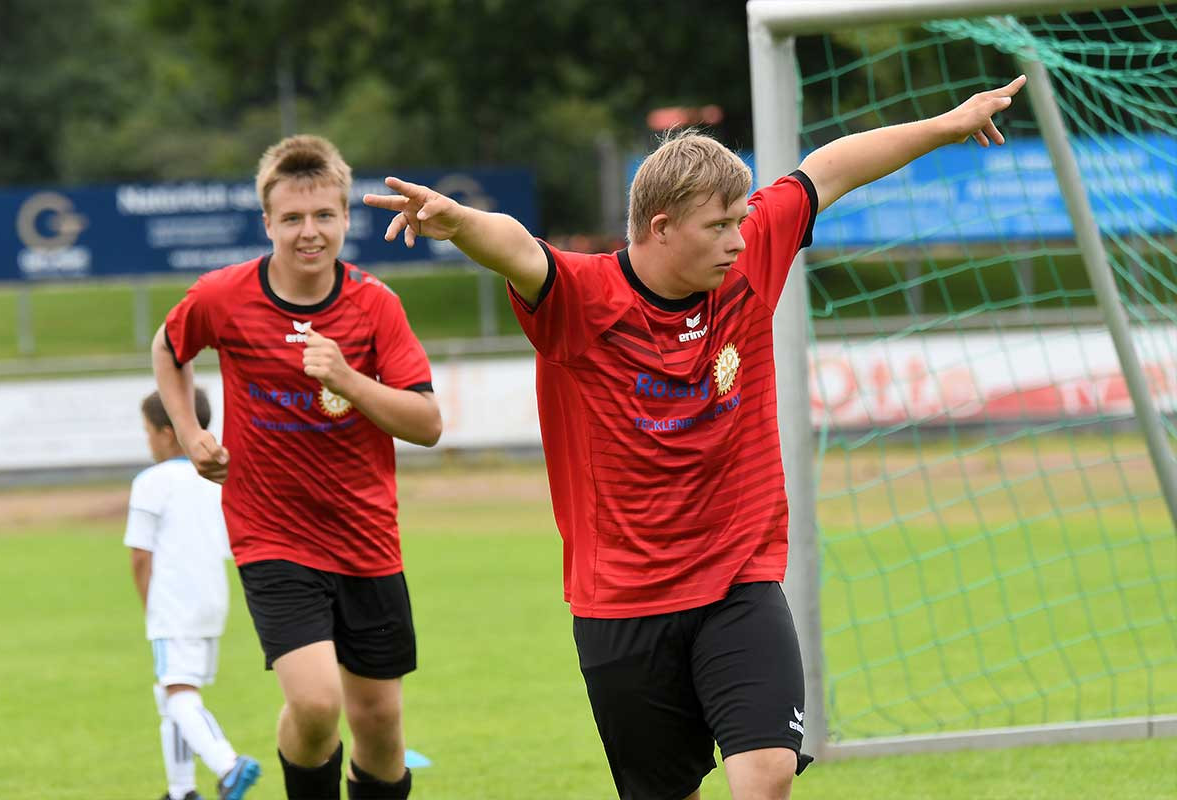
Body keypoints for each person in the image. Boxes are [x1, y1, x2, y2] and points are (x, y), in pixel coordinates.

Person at [366, 75, 1028, 800]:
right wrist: (460, 221)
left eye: (741, 221)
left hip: (736, 578)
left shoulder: (748, 260)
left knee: (767, 772)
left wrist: (946, 124)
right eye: (719, 226)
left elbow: (830, 168)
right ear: (659, 228)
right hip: (622, 602)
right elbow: (519, 250)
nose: (739, 240)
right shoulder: (583, 299)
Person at [152, 134, 442, 800]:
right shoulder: (224, 296)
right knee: (315, 704)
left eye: (323, 217)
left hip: (368, 541)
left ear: (345, 217)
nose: (308, 232)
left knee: (380, 726)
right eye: (291, 219)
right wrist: (191, 432)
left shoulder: (376, 307)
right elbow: (168, 347)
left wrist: (349, 377)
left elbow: (426, 425)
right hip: (273, 536)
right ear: (268, 223)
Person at [125, 388, 260, 800]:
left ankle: (228, 764)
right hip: (211, 600)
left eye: (148, 431)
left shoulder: (151, 482)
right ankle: (181, 790)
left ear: (168, 432)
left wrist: (152, 609)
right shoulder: (216, 478)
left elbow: (140, 557)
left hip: (173, 603)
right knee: (173, 692)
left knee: (178, 694)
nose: (147, 440)